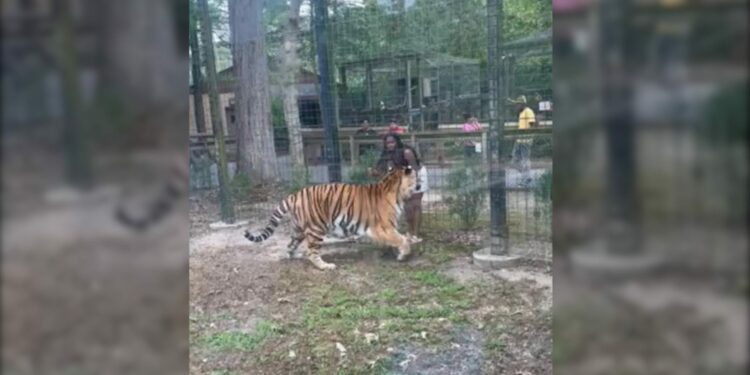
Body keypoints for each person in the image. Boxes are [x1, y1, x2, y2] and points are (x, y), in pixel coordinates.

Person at [368, 134, 427, 243]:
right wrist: (374, 172)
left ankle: (416, 234)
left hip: (417, 174)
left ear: (397, 142)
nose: (390, 145)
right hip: (403, 177)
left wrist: (412, 183)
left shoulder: (406, 152)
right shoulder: (387, 155)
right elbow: (386, 173)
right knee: (407, 206)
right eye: (388, 143)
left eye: (392, 142)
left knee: (415, 204)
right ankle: (410, 231)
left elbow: (414, 168)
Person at [508, 95, 536, 186]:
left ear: (522, 104)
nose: (516, 106)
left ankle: (526, 178)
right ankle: (527, 176)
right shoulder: (521, 113)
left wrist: (530, 137)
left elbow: (532, 125)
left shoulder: (528, 111)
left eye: (517, 104)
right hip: (519, 140)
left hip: (526, 140)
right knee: (514, 161)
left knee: (525, 159)